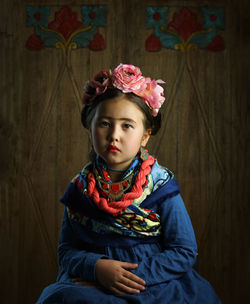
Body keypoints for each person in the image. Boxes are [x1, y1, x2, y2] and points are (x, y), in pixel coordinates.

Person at [37, 64, 221, 303]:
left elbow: (184, 251)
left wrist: (126, 277)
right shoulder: (80, 188)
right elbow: (66, 252)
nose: (114, 135)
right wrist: (97, 269)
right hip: (93, 283)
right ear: (90, 129)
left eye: (127, 126)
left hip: (154, 281)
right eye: (104, 123)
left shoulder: (160, 185)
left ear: (145, 136)